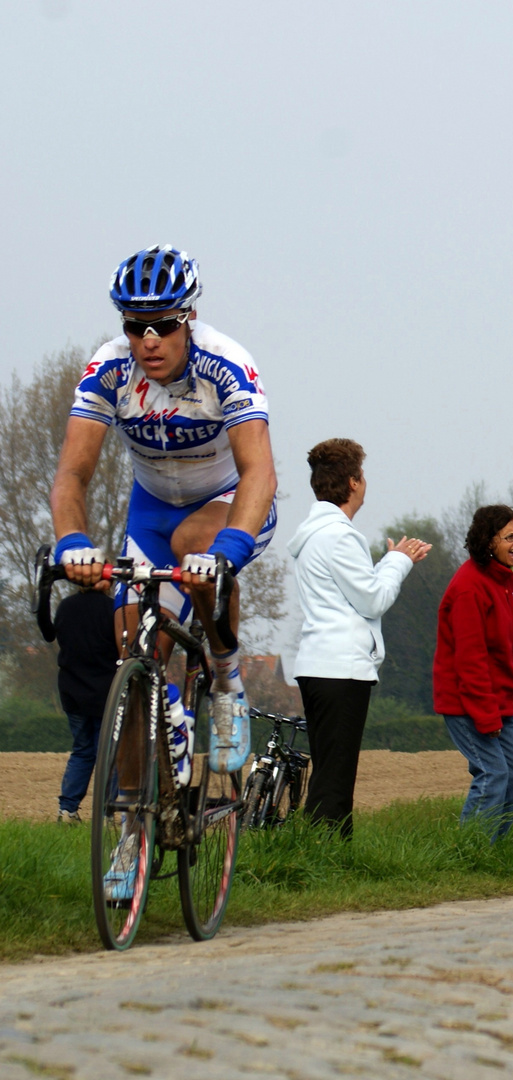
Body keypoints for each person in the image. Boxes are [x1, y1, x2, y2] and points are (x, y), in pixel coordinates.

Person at [51, 245, 277, 898]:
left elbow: (259, 469)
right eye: (134, 325)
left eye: (163, 325)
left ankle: (228, 682)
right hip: (149, 513)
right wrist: (72, 538)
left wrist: (232, 546)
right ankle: (133, 826)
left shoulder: (225, 364)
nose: (148, 341)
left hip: (228, 505)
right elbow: (73, 471)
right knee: (132, 653)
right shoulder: (109, 370)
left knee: (196, 542)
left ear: (190, 319)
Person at [288, 438, 431, 839]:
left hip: (317, 665)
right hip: (341, 669)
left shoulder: (312, 533)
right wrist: (399, 561)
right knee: (336, 777)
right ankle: (326, 855)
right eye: (362, 476)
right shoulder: (340, 535)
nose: (364, 483)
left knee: (328, 769)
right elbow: (373, 599)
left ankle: (323, 852)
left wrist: (387, 562)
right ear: (352, 482)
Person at [433, 505, 513, 841]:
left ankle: (494, 848)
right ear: (489, 542)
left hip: (500, 700)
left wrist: (502, 706)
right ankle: (470, 851)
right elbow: (470, 660)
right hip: (467, 702)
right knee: (492, 774)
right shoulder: (470, 587)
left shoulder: (506, 579)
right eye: (509, 537)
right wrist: (487, 717)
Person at [53, 581, 116, 823]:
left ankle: (68, 809)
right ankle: (107, 811)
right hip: (106, 693)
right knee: (108, 753)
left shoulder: (65, 606)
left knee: (81, 750)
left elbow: (54, 635)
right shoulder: (114, 609)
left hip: (72, 689)